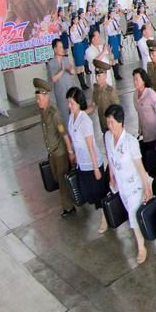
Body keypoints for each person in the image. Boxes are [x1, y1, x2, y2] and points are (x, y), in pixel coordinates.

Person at [104, 104, 153, 264]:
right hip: (121, 185)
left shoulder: (130, 142)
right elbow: (110, 159)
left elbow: (140, 167)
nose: (109, 126)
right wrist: (111, 176)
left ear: (120, 122)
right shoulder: (108, 138)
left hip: (134, 185)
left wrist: (147, 188)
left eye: (112, 122)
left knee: (133, 215)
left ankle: (141, 247)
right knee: (132, 215)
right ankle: (143, 238)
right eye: (107, 122)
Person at [66, 87, 109, 233]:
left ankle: (105, 218)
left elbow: (91, 146)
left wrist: (96, 168)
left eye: (71, 103)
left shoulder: (85, 121)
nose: (69, 106)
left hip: (92, 163)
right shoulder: (72, 118)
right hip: (82, 163)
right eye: (68, 103)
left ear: (78, 102)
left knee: (99, 194)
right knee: (88, 193)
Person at [35, 79, 76, 217]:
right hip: (52, 153)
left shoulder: (54, 113)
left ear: (46, 96)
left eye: (39, 98)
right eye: (37, 98)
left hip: (60, 153)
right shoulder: (43, 111)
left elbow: (64, 134)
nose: (38, 101)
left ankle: (68, 208)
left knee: (62, 181)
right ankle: (69, 202)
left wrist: (70, 152)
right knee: (57, 178)